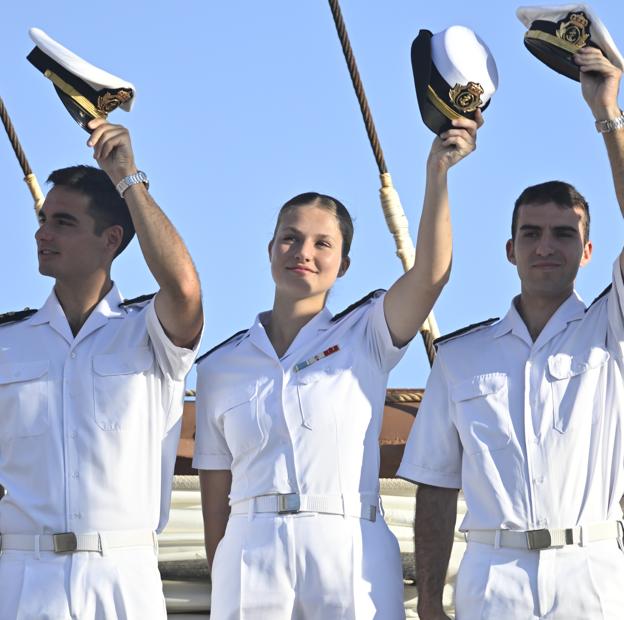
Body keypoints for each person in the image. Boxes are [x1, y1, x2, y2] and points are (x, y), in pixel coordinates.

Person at [192, 104, 481, 618]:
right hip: (249, 552)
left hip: (348, 547)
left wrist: (436, 176)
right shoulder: (220, 367)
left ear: (342, 263)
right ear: (270, 249)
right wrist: (225, 577)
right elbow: (216, 499)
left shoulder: (366, 333)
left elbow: (431, 275)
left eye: (322, 243)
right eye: (290, 238)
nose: (303, 251)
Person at [397, 47, 624, 620]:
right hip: (491, 582)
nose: (546, 246)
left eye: (563, 235)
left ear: (589, 251)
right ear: (510, 249)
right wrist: (427, 602)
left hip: (591, 577)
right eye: (531, 233)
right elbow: (436, 482)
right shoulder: (459, 358)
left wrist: (608, 114)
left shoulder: (612, 330)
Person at [0, 118, 203, 619]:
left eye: (62, 222)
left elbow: (184, 289)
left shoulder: (149, 333)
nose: (42, 233)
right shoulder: (6, 343)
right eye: (43, 220)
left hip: (121, 577)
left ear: (111, 238)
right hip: (23, 579)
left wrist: (127, 177)